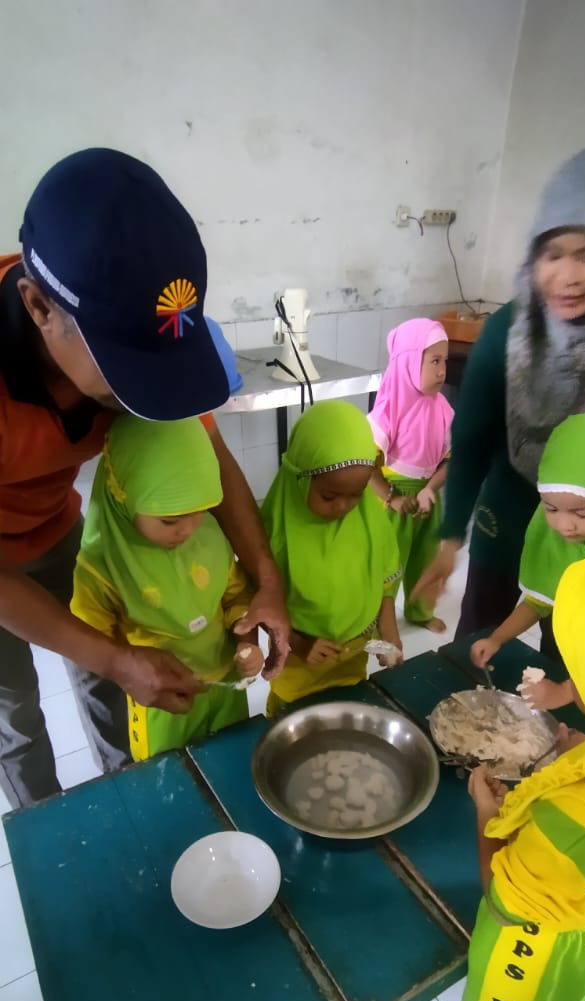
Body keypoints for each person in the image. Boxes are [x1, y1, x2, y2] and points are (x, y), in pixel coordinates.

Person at [0, 148, 288, 807]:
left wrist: (267, 582)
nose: (143, 399)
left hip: (57, 525)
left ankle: (129, 804)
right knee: (14, 715)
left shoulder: (133, 342)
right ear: (40, 308)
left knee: (110, 678)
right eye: (128, 375)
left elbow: (208, 459)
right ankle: (57, 835)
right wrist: (111, 655)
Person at [412, 148, 585, 647]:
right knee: (480, 636)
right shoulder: (509, 332)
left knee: (574, 648)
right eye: (553, 254)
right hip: (509, 505)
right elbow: (471, 441)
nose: (568, 278)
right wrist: (450, 539)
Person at [441, 556, 585, 1001]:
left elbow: (503, 893)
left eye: (576, 675)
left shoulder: (567, 820)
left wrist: (487, 813)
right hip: (580, 932)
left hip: (530, 940)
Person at [71, 416, 263, 759]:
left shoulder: (209, 537)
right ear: (122, 495)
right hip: (159, 699)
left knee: (230, 758)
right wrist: (124, 666)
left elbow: (234, 595)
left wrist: (247, 642)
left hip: (225, 687)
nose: (188, 530)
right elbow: (91, 638)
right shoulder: (103, 567)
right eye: (169, 521)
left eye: (200, 512)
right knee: (169, 772)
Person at [260, 401, 402, 716]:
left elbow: (383, 579)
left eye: (356, 494)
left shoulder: (368, 519)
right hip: (298, 667)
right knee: (295, 728)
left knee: (346, 718)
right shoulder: (273, 530)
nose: (343, 507)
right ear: (299, 478)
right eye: (329, 496)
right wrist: (298, 642)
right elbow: (261, 604)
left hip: (352, 658)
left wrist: (388, 633)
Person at [471, 413, 585, 710]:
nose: (565, 526)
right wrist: (497, 638)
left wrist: (566, 692)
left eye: (583, 514)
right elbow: (540, 601)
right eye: (551, 509)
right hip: (562, 654)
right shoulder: (556, 541)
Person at [368, 318, 453, 632]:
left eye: (445, 361)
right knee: (388, 562)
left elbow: (449, 460)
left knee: (426, 557)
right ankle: (379, 618)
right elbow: (366, 467)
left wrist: (431, 488)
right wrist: (391, 498)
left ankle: (419, 611)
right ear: (407, 362)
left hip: (427, 498)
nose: (442, 370)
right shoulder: (388, 411)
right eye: (434, 361)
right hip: (392, 499)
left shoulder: (443, 409)